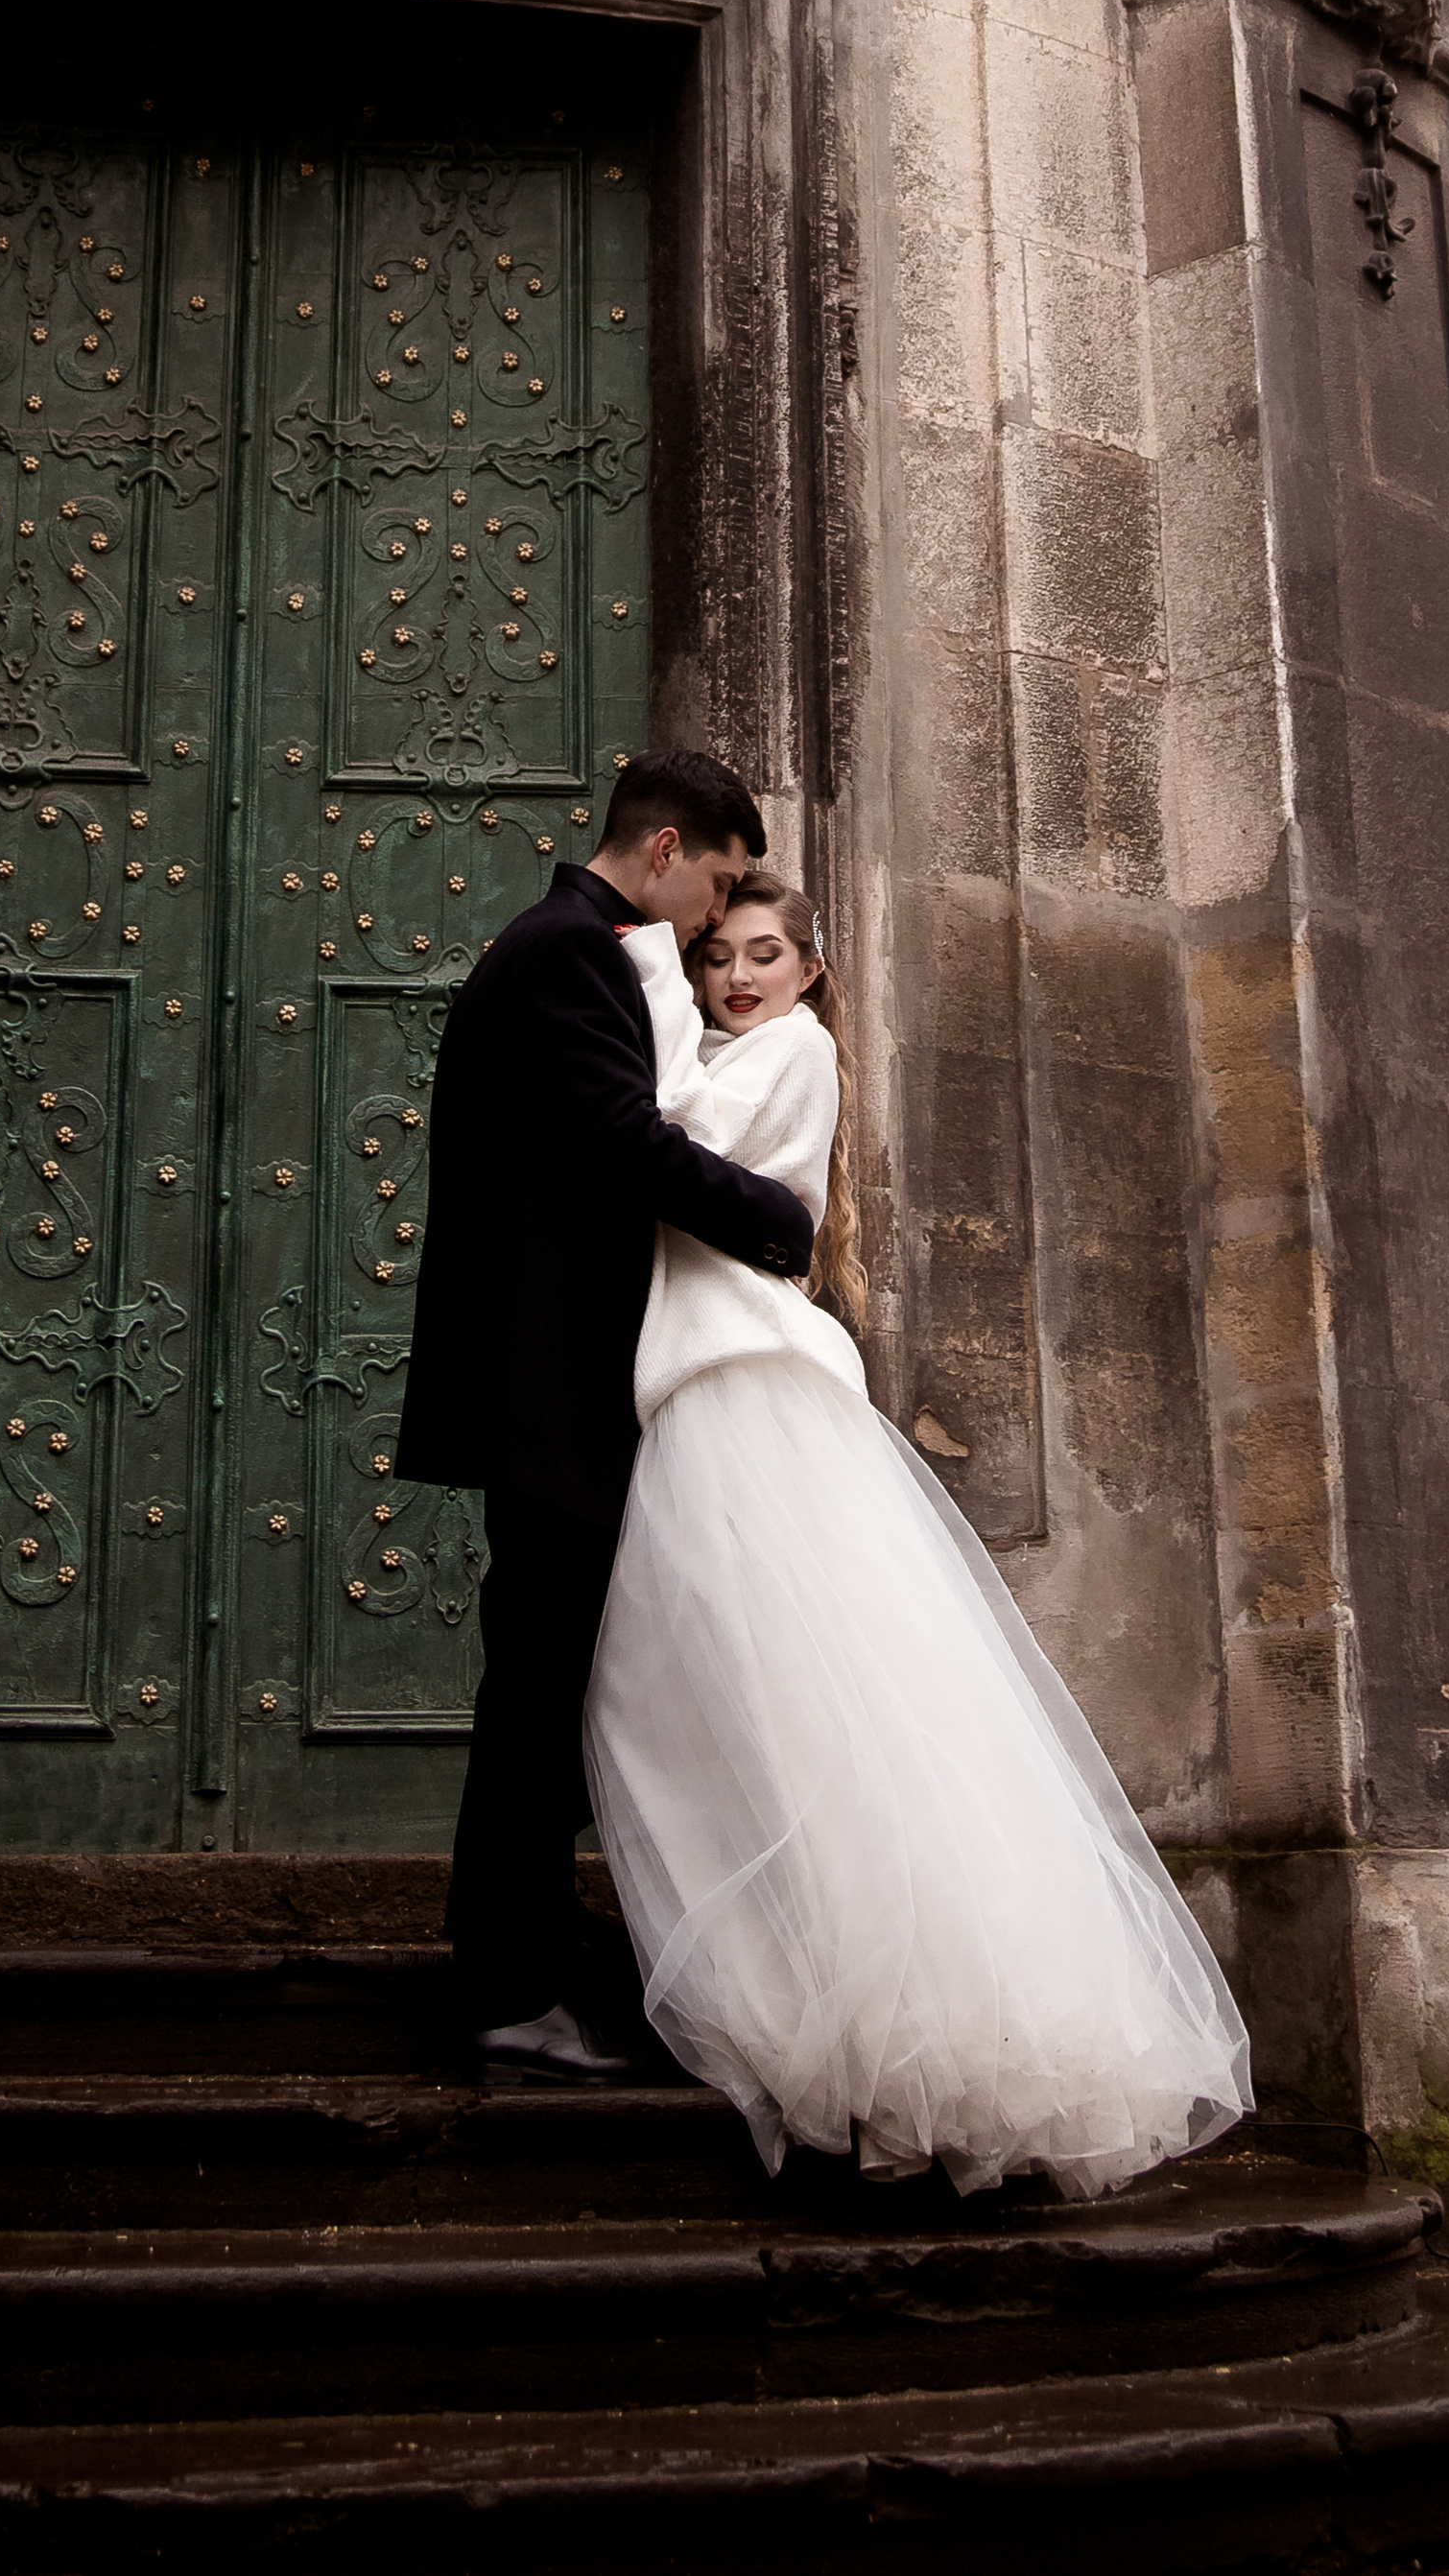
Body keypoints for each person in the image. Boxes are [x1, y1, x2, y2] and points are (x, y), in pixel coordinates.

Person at [584, 872, 1252, 2196]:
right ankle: (825, 2007)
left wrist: (647, 978)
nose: (736, 978)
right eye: (717, 958)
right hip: (698, 1387)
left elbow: (680, 1140)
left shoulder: (792, 1051)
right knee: (734, 1704)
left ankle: (896, 2043)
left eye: (762, 955)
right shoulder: (742, 1043)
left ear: (812, 971)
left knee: (802, 1703)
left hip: (747, 1390)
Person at [398, 749, 817, 2080]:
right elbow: (619, 1143)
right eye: (721, 885)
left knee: (561, 1676)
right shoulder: (571, 952)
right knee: (540, 1685)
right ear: (666, 850)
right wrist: (779, 1222)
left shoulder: (565, 948)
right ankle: (508, 1987)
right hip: (553, 1386)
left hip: (554, 1384)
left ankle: (531, 1937)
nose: (718, 916)